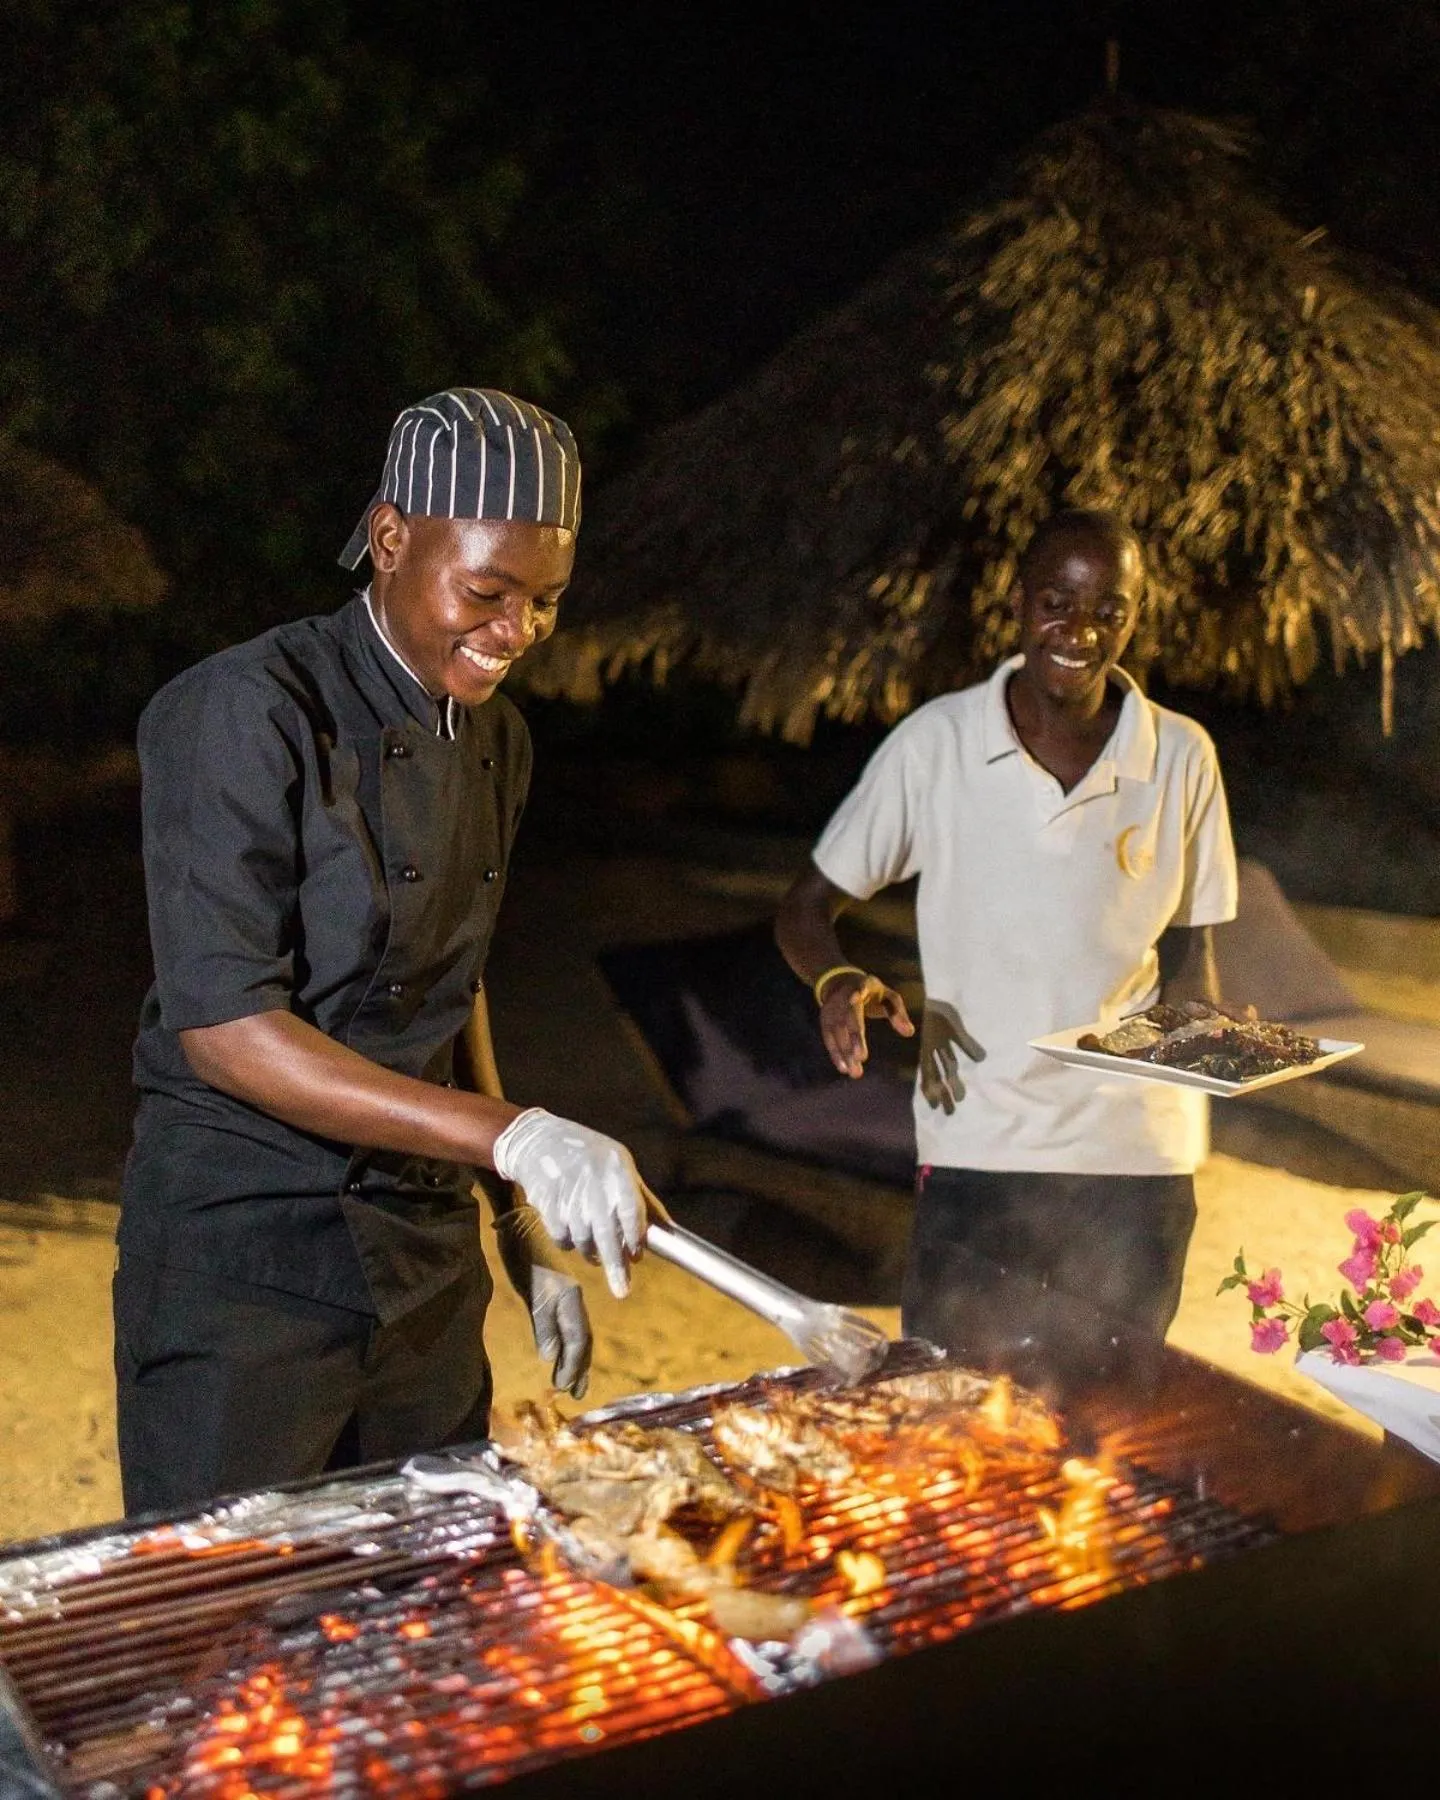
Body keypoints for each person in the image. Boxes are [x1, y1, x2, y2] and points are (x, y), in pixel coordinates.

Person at [116, 387, 654, 1516]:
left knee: (423, 1600)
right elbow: (225, 1030)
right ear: (394, 537)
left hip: (421, 1263)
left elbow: (454, 979)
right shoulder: (244, 711)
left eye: (546, 602)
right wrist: (511, 1138)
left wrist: (517, 1226)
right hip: (247, 1261)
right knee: (227, 1628)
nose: (517, 632)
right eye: (488, 592)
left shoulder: (499, 738)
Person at [775, 509, 1238, 1399]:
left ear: (1134, 618)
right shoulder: (938, 744)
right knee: (953, 1410)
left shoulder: (1180, 755)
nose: (1081, 630)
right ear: (1019, 604)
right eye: (1058, 602)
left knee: (1113, 1420)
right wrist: (838, 979)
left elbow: (1192, 957)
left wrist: (1215, 1035)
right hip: (979, 1139)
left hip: (1136, 1157)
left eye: (1110, 609)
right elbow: (806, 908)